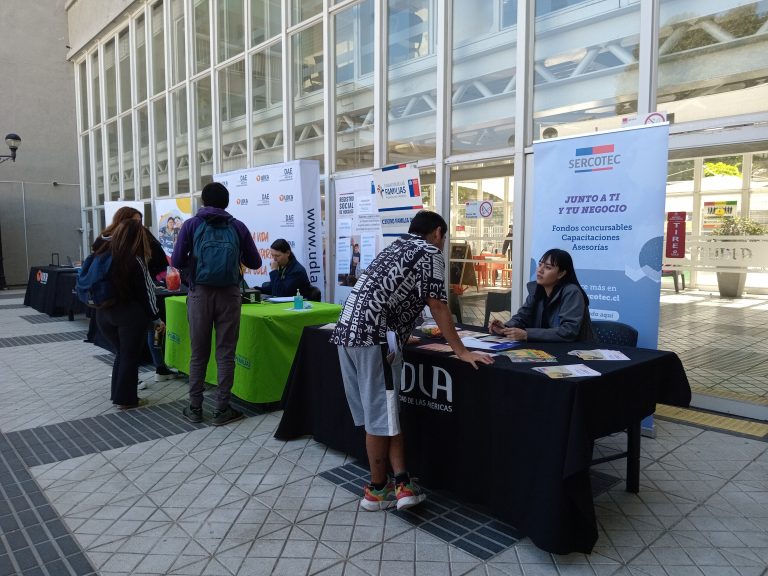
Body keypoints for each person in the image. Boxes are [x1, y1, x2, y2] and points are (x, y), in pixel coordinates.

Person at [330, 210, 494, 512]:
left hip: (348, 334)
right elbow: (438, 305)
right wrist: (461, 351)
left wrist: (402, 336)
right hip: (375, 340)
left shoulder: (396, 248)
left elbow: (385, 295)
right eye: (443, 238)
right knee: (381, 419)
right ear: (438, 233)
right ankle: (378, 491)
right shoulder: (430, 252)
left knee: (382, 415)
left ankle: (402, 483)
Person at [172, 182, 261, 426]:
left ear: (203, 201)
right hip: (230, 295)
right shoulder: (237, 226)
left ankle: (195, 407)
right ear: (227, 202)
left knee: (199, 353)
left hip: (199, 293)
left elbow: (178, 259)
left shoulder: (191, 225)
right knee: (225, 353)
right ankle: (222, 409)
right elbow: (255, 262)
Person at [94, 207, 177, 387]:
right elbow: (145, 281)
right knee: (127, 352)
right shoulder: (129, 253)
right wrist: (155, 316)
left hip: (109, 306)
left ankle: (149, 373)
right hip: (124, 306)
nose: (139, 225)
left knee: (127, 351)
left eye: (140, 221)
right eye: (134, 221)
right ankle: (128, 389)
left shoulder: (104, 240)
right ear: (123, 222)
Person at [490, 248, 594, 342]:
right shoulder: (536, 289)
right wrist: (504, 327)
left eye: (548, 267)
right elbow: (522, 317)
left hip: (575, 352)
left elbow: (568, 331)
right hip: (545, 349)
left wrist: (527, 334)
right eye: (540, 264)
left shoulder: (571, 292)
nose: (540, 270)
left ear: (561, 274)